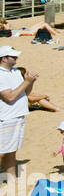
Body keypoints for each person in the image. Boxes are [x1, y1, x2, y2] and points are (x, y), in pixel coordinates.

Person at [0, 45, 36, 185]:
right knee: (2, 151)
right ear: (4, 59)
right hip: (6, 117)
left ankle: (11, 179)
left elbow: (25, 94)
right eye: (13, 56)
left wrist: (30, 82)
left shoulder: (15, 72)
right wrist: (26, 81)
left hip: (18, 115)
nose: (16, 58)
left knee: (11, 150)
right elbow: (9, 97)